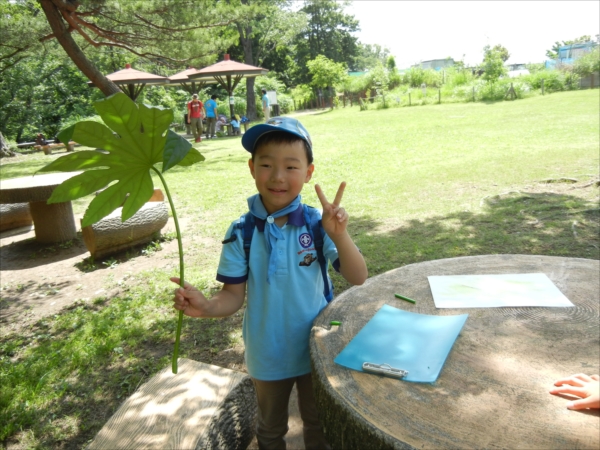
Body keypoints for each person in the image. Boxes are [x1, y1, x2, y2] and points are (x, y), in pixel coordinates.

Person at [171, 117, 368, 450]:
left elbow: (358, 276)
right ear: (251, 168)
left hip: (315, 350)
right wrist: (206, 307)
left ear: (308, 172)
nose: (278, 176)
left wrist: (340, 234)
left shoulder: (317, 226)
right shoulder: (241, 232)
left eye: (291, 166)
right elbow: (232, 296)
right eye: (266, 165)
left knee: (319, 424)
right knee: (270, 429)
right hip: (267, 355)